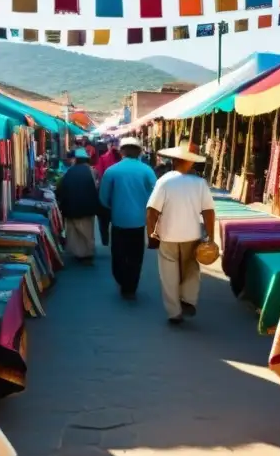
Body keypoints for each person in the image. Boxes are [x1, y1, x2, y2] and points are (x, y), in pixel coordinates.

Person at [145, 142, 215, 324]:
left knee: (168, 273)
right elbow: (208, 212)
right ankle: (188, 299)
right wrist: (211, 238)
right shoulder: (200, 184)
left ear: (174, 160)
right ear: (190, 163)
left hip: (167, 235)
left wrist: (151, 233)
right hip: (191, 235)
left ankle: (174, 312)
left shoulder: (164, 181)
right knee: (191, 269)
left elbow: (152, 210)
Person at [99, 137, 157, 299]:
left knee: (118, 253)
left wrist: (114, 207)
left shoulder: (112, 171)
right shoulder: (147, 171)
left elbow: (104, 197)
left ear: (122, 151)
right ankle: (131, 285)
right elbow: (156, 195)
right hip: (139, 222)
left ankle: (122, 279)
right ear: (139, 151)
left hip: (118, 220)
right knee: (136, 255)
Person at [55, 148, 99, 263]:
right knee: (87, 231)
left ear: (75, 159)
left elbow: (61, 189)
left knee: (74, 232)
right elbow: (95, 188)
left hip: (71, 207)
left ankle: (79, 253)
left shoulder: (69, 171)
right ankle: (87, 252)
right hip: (88, 207)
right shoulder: (91, 171)